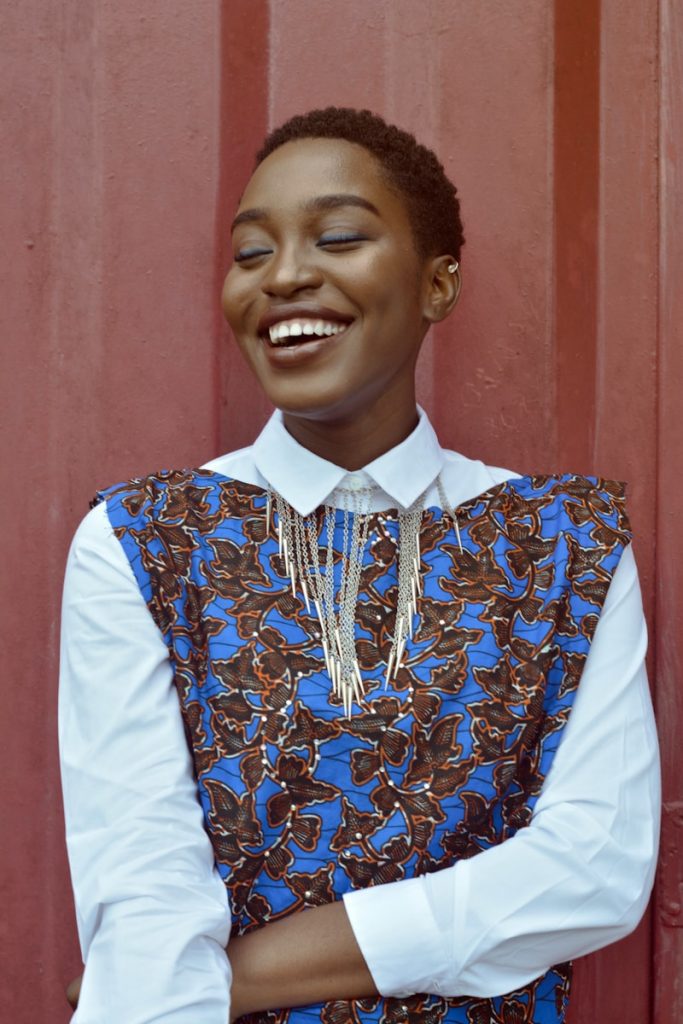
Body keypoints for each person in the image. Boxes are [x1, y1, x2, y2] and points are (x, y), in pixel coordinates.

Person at [59, 107, 660, 1023]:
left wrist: (241, 976)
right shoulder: (143, 540)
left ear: (437, 285)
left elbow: (594, 868)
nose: (283, 276)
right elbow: (142, 883)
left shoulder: (565, 545)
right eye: (252, 252)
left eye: (336, 238)